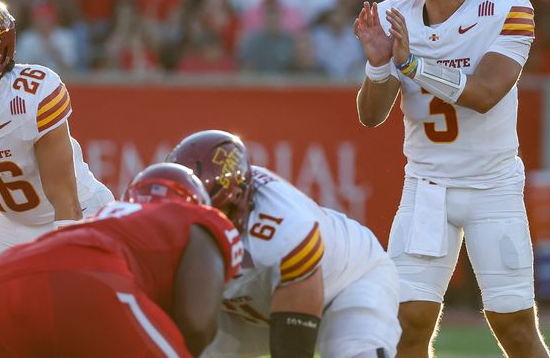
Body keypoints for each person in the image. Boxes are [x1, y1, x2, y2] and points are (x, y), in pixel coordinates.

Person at [354, 0, 550, 357]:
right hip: (426, 186)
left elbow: (484, 95)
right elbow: (370, 115)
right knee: (406, 325)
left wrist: (412, 64)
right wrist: (381, 67)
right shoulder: (391, 15)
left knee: (515, 327)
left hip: (492, 186)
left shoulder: (505, 11)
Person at [167, 130, 400, 358]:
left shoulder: (285, 231)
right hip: (250, 311)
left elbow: (293, 349)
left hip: (346, 284)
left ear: (237, 201)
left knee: (356, 353)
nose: (195, 223)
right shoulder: (159, 222)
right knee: (167, 345)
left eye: (208, 211)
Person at [0, 162, 243, 357]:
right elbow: (196, 326)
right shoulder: (195, 219)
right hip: (87, 280)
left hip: (6, 272)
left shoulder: (108, 220)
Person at [0, 0, 114, 255]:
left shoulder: (29, 97)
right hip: (7, 224)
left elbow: (66, 201)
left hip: (76, 213)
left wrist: (64, 264)